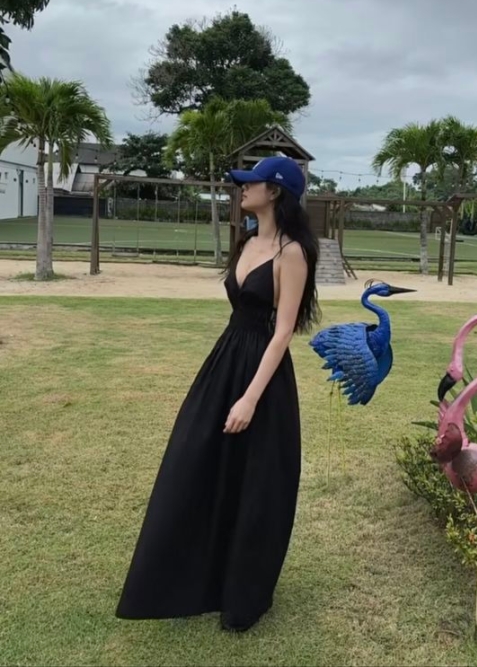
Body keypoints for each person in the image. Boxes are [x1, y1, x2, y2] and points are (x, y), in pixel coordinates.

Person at [115, 156, 320, 632]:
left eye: (251, 184)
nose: (241, 190)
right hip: (226, 358)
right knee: (195, 460)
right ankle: (191, 579)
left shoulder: (292, 253)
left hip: (263, 375)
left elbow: (283, 332)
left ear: (274, 192)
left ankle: (244, 593)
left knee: (256, 482)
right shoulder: (246, 241)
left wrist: (250, 398)